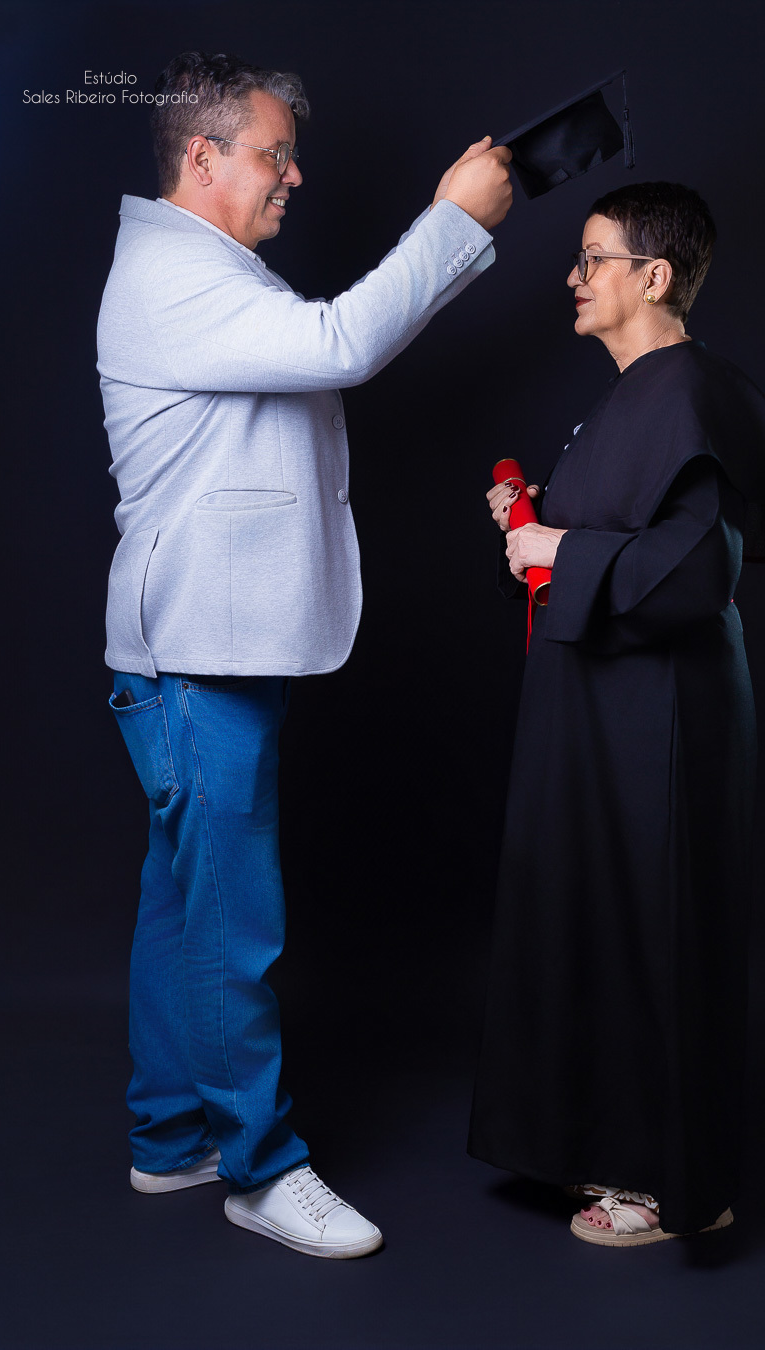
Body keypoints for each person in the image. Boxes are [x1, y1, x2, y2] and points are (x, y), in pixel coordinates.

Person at [98, 49, 512, 1260]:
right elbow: (338, 343)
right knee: (232, 921)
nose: (295, 176)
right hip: (193, 656)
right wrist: (455, 222)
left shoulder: (203, 268)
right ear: (203, 156)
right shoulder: (174, 272)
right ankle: (261, 1171)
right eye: (275, 154)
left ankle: (170, 1138)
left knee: (184, 900)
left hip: (203, 647)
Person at [468, 181, 765, 1246]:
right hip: (601, 712)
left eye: (593, 259)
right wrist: (534, 521)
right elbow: (618, 538)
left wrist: (558, 547)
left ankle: (667, 1182)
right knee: (596, 920)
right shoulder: (630, 397)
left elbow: (694, 574)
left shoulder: (689, 390)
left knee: (650, 931)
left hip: (659, 717)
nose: (574, 278)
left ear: (654, 276)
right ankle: (607, 1152)